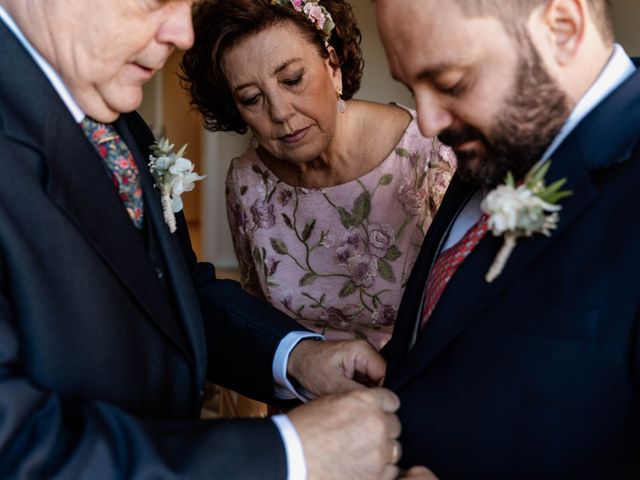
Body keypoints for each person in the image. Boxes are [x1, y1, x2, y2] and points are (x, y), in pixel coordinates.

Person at [0, 0, 431, 478]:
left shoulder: (116, 115)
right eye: (154, 2)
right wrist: (287, 452)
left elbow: (177, 290)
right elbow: (15, 444)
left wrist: (297, 355)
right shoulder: (246, 180)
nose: (183, 34)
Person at [374, 0, 640, 478]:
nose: (429, 124)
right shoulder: (497, 140)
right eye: (411, 87)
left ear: (562, 28)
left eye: (451, 83)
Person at [180, 0, 456, 350]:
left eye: (293, 79)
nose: (280, 112)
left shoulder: (431, 155)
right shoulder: (247, 182)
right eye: (251, 98)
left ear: (333, 65)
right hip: (300, 394)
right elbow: (260, 324)